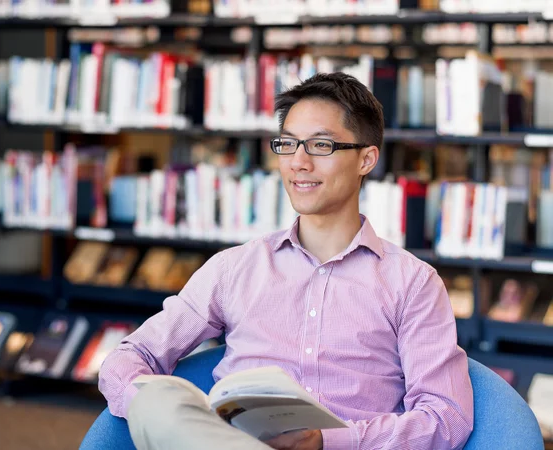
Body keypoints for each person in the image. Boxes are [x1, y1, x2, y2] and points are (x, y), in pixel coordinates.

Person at [99, 72, 474, 450]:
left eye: (321, 145)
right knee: (161, 400)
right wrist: (154, 408)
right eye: (288, 144)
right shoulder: (234, 269)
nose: (298, 162)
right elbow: (132, 355)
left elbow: (445, 418)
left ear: (366, 159)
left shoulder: (413, 283)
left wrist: (327, 441)